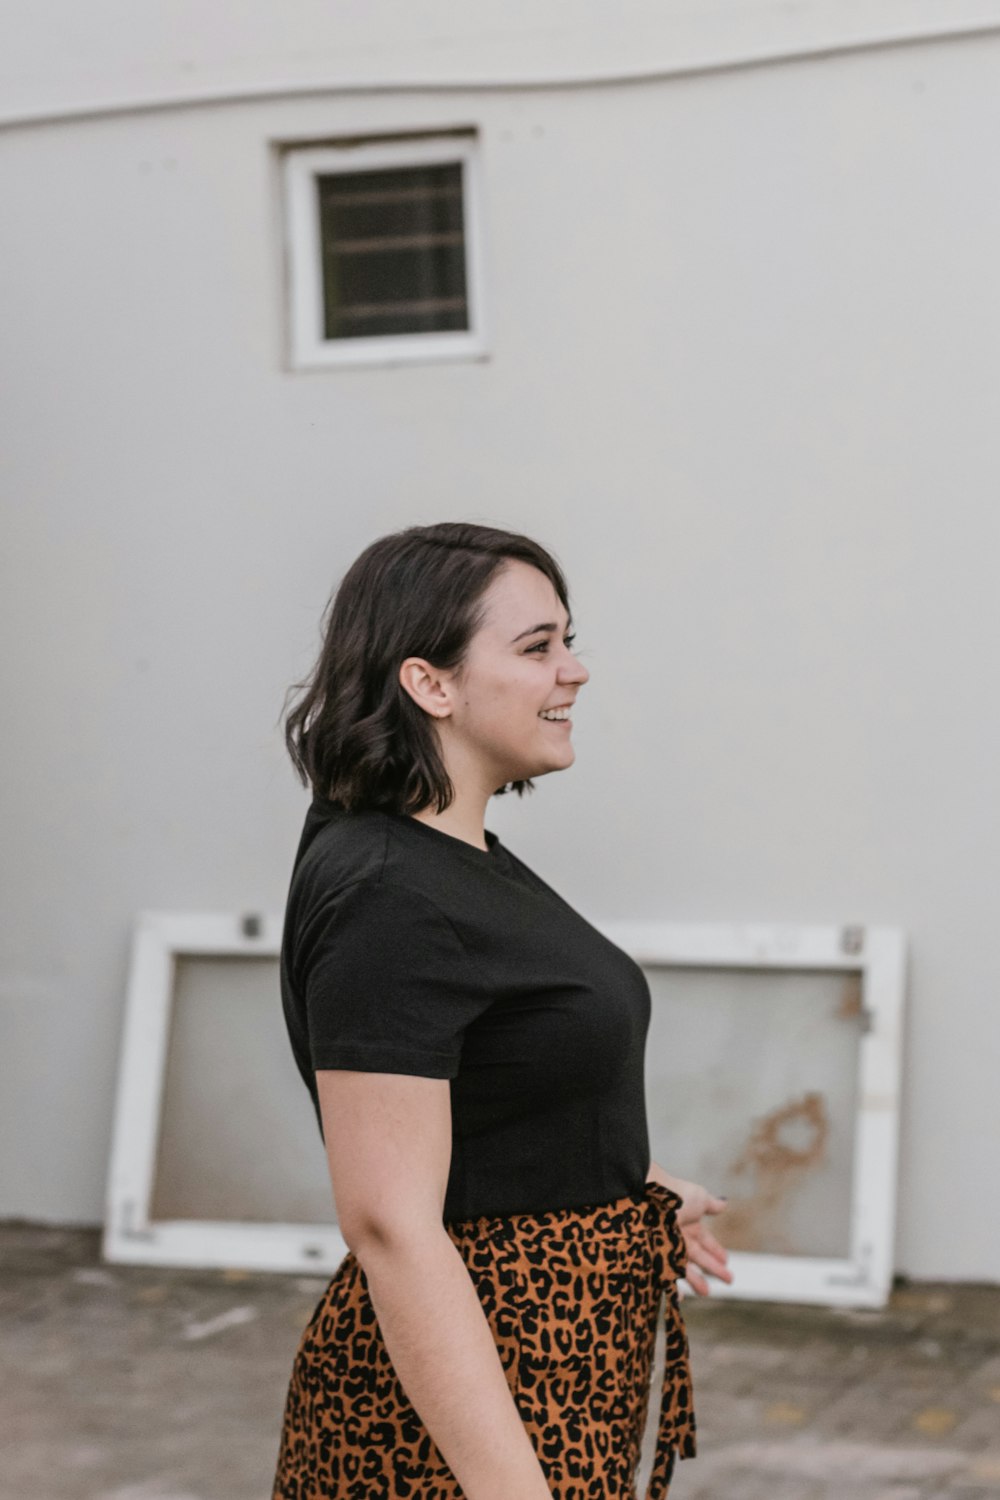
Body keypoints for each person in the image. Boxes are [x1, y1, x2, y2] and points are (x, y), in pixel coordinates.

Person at [271, 521, 732, 1500]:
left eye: (568, 641)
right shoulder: (390, 890)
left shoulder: (446, 855)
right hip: (477, 1390)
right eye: (537, 647)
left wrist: (627, 1178)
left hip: (556, 1363)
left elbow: (489, 1079)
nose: (575, 672)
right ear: (430, 684)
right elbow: (391, 1220)